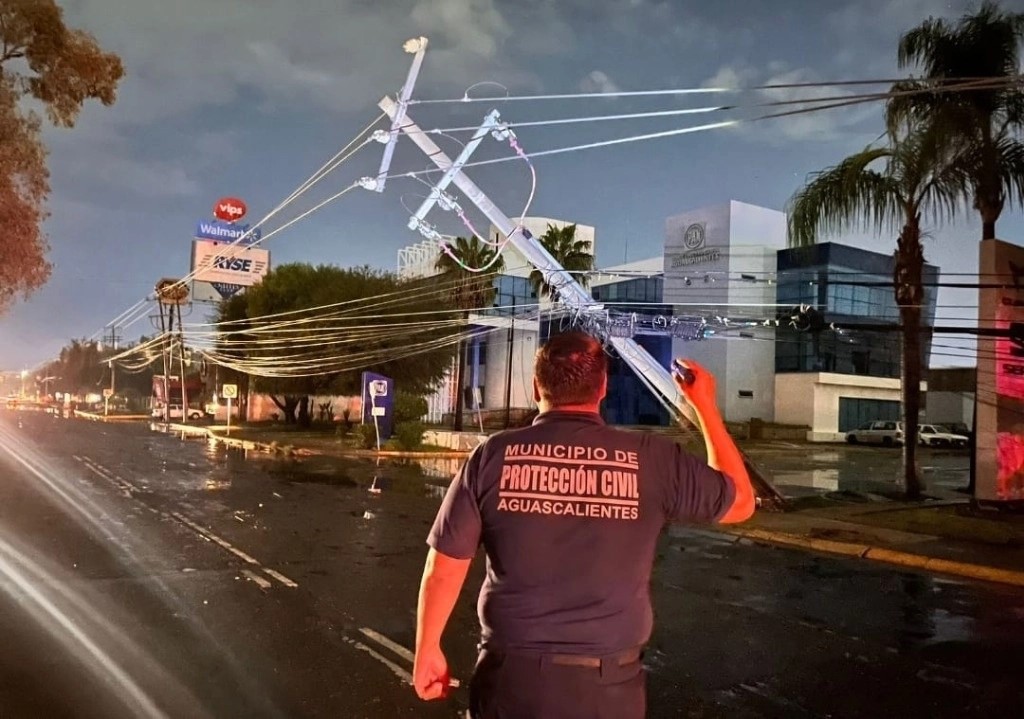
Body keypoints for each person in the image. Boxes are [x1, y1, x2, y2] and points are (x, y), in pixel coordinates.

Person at [413, 330, 756, 718]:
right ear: (603, 387)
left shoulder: (493, 455)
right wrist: (704, 406)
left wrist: (427, 648)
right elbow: (741, 503)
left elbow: (443, 568)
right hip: (607, 690)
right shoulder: (652, 460)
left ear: (536, 386)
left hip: (510, 681)